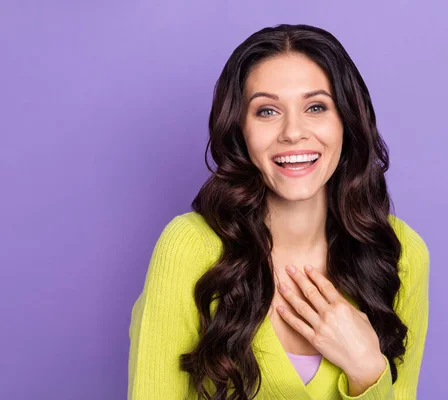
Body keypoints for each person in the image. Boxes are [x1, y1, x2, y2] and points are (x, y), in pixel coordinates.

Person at [128, 23, 430, 400]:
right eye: (267, 111)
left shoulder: (399, 253)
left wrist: (367, 369)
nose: (292, 132)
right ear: (240, 130)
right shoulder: (190, 247)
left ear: (347, 122)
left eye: (316, 107)